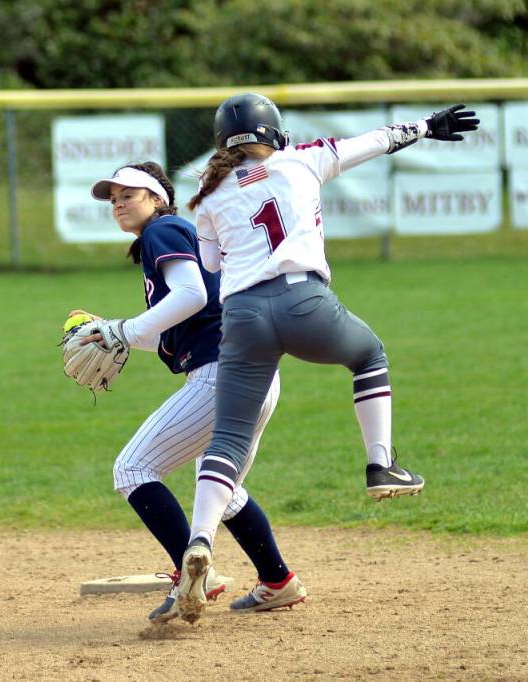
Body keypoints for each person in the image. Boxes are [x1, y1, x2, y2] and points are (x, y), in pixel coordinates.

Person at [174, 93, 479, 622]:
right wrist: (429, 125)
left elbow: (212, 265)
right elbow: (378, 141)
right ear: (275, 133)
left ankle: (200, 539)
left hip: (242, 317)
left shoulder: (206, 193)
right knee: (369, 356)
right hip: (304, 301)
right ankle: (381, 465)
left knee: (226, 438)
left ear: (222, 141)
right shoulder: (303, 158)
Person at [80, 161, 306, 623]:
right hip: (254, 370)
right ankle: (277, 581)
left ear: (158, 198)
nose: (119, 204)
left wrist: (122, 328)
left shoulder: (161, 231)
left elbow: (191, 296)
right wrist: (115, 332)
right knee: (224, 488)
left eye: (130, 195)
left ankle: (193, 574)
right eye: (114, 198)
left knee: (133, 468)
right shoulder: (176, 232)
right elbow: (179, 319)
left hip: (220, 374)